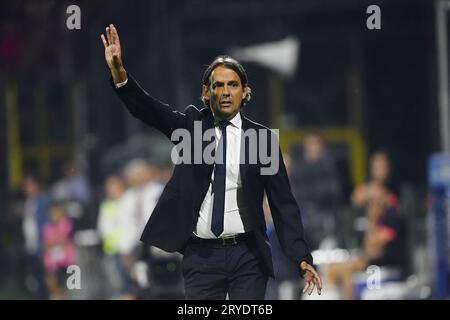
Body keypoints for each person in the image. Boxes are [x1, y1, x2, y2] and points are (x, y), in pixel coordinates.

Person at [100, 24, 321, 300]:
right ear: (207, 93)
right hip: (201, 256)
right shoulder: (191, 127)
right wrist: (120, 74)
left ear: (245, 92)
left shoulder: (262, 139)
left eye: (233, 85)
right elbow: (149, 109)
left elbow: (283, 204)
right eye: (218, 85)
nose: (226, 91)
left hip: (248, 256)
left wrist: (301, 257)